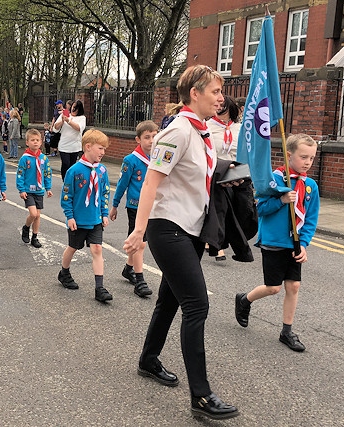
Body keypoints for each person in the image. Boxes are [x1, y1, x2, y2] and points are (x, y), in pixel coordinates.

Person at [123, 65, 239, 420]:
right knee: (197, 305)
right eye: (216, 92)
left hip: (190, 229)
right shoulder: (177, 131)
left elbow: (200, 174)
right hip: (167, 228)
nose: (221, 98)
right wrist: (139, 230)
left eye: (221, 92)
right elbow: (151, 183)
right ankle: (200, 396)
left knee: (169, 300)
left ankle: (148, 359)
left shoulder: (202, 132)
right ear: (195, 94)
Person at [235, 133, 320, 352]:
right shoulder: (273, 180)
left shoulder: (310, 186)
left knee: (293, 285)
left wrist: (304, 243)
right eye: (303, 157)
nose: (308, 162)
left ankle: (287, 331)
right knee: (273, 288)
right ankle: (245, 300)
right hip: (273, 241)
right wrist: (281, 200)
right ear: (288, 155)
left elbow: (310, 219)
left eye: (311, 157)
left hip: (294, 243)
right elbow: (260, 210)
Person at [57, 129, 112, 303]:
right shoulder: (74, 171)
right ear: (88, 147)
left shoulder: (102, 171)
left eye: (104, 149)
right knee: (73, 248)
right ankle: (64, 273)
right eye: (100, 148)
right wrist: (70, 216)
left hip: (95, 218)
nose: (103, 152)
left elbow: (104, 193)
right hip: (78, 219)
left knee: (97, 249)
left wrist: (104, 214)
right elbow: (67, 196)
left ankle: (99, 288)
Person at [110, 120, 158, 298]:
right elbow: (122, 184)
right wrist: (114, 205)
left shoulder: (158, 157)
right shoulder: (131, 160)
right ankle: (140, 280)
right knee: (141, 242)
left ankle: (128, 269)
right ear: (138, 139)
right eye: (147, 137)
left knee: (140, 241)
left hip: (153, 206)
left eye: (154, 136)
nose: (151, 140)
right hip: (135, 206)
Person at [207, 95, 242, 261]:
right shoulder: (207, 127)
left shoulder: (239, 128)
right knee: (218, 208)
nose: (220, 110)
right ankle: (217, 245)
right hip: (216, 171)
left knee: (231, 210)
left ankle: (222, 239)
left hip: (235, 172)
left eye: (223, 107)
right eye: (218, 107)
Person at [17, 128, 53, 248]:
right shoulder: (25, 158)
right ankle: (26, 227)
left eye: (37, 140)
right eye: (32, 140)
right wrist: (21, 190)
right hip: (28, 191)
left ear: (41, 142)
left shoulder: (43, 158)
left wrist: (48, 188)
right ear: (27, 142)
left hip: (39, 190)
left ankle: (35, 237)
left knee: (38, 215)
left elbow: (47, 174)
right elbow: (20, 174)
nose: (35, 142)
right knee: (33, 214)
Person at [54, 99, 86, 180]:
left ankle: (70, 181)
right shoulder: (64, 115)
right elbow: (55, 128)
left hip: (75, 146)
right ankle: (65, 180)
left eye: (75, 107)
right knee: (65, 163)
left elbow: (79, 128)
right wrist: (62, 120)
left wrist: (68, 121)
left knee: (72, 165)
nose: (73, 109)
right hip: (64, 145)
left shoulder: (82, 118)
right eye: (72, 107)